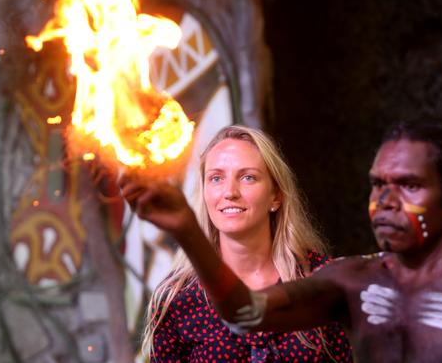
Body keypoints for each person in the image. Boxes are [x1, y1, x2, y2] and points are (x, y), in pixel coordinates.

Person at [121, 120, 442, 362]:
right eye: (378, 185)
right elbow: (244, 312)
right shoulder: (351, 279)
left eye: (408, 185)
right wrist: (186, 229)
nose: (386, 202)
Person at [137, 125, 352, 362]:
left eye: (248, 177)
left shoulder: (321, 279)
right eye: (216, 178)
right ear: (204, 192)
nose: (230, 192)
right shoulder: (176, 297)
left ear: (276, 196)